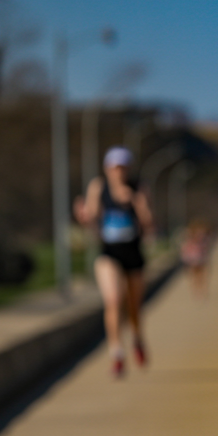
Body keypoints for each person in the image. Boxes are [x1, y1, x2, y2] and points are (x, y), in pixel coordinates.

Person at [73, 147, 153, 378]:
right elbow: (92, 220)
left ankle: (137, 339)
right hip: (109, 253)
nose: (119, 172)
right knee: (113, 300)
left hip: (134, 253)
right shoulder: (98, 187)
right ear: (108, 169)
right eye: (115, 167)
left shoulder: (139, 187)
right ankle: (117, 353)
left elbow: (149, 224)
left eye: (123, 167)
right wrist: (84, 217)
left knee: (134, 307)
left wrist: (139, 205)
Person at [180, 220, 212, 299]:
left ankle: (200, 290)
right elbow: (185, 249)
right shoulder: (190, 238)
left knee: (201, 275)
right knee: (195, 275)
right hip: (193, 259)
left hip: (200, 258)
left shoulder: (203, 238)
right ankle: (196, 290)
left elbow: (206, 248)